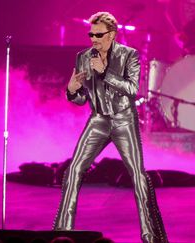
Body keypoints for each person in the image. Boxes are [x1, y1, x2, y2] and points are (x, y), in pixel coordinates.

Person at [52, 12, 168, 243]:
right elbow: (82, 99)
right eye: (90, 34)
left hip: (123, 119)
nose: (93, 38)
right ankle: (62, 231)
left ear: (112, 35)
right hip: (98, 120)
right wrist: (72, 90)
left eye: (98, 34)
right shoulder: (83, 57)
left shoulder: (129, 56)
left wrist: (105, 73)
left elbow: (132, 89)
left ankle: (150, 235)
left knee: (137, 175)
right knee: (73, 170)